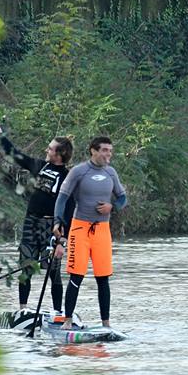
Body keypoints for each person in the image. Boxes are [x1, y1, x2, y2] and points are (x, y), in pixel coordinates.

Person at [0, 119, 74, 318]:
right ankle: (23, 309)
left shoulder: (68, 177)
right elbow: (15, 154)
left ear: (60, 154)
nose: (47, 150)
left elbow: (69, 209)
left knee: (53, 272)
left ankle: (57, 313)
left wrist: (63, 239)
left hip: (52, 227)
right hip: (31, 223)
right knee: (26, 268)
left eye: (50, 148)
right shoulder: (39, 165)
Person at [53, 136, 127, 330]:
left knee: (103, 277)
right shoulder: (79, 171)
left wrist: (112, 206)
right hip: (80, 229)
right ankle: (67, 321)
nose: (108, 154)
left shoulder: (111, 173)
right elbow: (62, 198)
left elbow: (122, 198)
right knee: (76, 276)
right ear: (93, 151)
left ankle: (106, 324)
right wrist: (58, 221)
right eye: (104, 150)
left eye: (110, 151)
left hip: (102, 231)